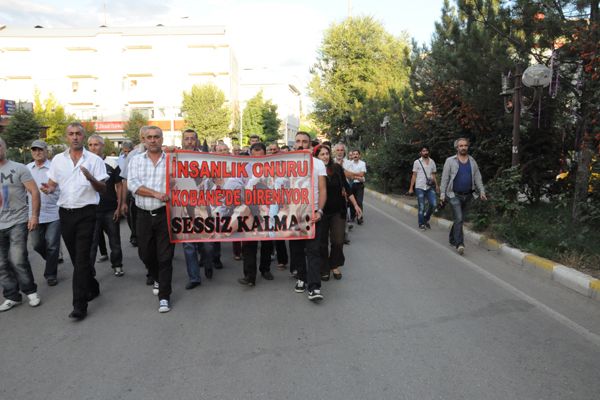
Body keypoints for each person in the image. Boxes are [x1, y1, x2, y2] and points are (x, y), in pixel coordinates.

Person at [41, 123, 108, 320]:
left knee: (80, 260)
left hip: (87, 212)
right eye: (71, 134)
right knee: (77, 257)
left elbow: (102, 189)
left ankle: (79, 305)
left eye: (78, 134)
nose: (75, 137)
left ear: (83, 136)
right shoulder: (57, 161)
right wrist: (49, 189)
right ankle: (93, 286)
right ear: (66, 137)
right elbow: (53, 183)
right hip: (66, 214)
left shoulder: (94, 160)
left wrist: (91, 178)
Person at [127, 126, 174, 313]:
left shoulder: (172, 160)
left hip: (165, 214)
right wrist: (156, 194)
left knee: (165, 256)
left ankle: (164, 296)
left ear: (162, 139)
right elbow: (133, 184)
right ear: (143, 140)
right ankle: (156, 277)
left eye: (156, 137)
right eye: (149, 137)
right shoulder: (136, 160)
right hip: (143, 214)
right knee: (145, 254)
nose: (153, 140)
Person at [0, 137, 42, 312]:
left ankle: (30, 291)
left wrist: (34, 216)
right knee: (1, 263)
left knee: (17, 259)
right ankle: (12, 295)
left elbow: (34, 192)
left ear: (5, 147)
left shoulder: (18, 168)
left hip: (18, 220)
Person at [314, 144, 361, 281]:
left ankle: (334, 264)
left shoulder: (337, 168)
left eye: (327, 153)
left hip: (338, 210)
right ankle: (324, 267)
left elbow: (346, 187)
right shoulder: (313, 170)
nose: (325, 156)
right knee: (322, 242)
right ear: (316, 157)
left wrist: (355, 205)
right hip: (320, 212)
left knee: (338, 240)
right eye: (322, 154)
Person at [290, 131, 327, 301]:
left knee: (313, 250)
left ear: (310, 145)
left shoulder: (318, 164)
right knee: (297, 249)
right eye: (298, 141)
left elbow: (323, 189)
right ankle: (301, 278)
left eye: (304, 141)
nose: (301, 144)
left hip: (312, 214)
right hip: (294, 213)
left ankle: (314, 287)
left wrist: (319, 211)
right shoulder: (286, 163)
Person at [179, 129, 214, 290]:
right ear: (182, 141)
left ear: (197, 141)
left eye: (192, 139)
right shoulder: (175, 158)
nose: (190, 142)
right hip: (183, 205)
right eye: (186, 139)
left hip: (203, 203)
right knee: (188, 243)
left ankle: (208, 263)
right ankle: (194, 277)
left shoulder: (205, 159)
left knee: (206, 243)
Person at [440, 138, 487, 255]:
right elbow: (444, 179)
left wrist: (482, 191)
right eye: (461, 146)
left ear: (468, 147)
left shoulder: (472, 161)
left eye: (465, 145)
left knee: (459, 220)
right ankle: (459, 244)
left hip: (468, 195)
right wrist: (442, 194)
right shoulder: (450, 161)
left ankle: (452, 238)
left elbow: (477, 177)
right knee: (459, 219)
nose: (463, 147)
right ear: (457, 147)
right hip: (454, 194)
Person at [238, 142, 275, 287]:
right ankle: (249, 276)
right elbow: (242, 187)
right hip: (250, 207)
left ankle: (265, 269)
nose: (257, 160)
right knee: (249, 243)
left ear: (265, 155)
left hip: (266, 207)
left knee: (266, 240)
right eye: (254, 157)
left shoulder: (271, 167)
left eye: (260, 157)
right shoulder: (244, 168)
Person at [87, 135, 124, 277]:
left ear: (102, 146)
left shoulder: (112, 163)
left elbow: (119, 186)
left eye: (96, 144)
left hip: (110, 208)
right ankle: (89, 272)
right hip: (91, 210)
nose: (93, 147)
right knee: (92, 243)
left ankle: (117, 265)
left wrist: (119, 206)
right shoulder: (85, 163)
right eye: (90, 145)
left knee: (114, 239)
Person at [27, 140, 61, 286]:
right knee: (36, 245)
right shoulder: (27, 169)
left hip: (54, 213)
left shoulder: (55, 168)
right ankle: (52, 259)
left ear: (46, 151)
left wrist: (51, 191)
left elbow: (63, 189)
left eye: (40, 150)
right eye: (34, 150)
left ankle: (51, 274)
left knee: (52, 244)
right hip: (34, 214)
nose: (37, 152)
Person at [408, 146, 439, 230]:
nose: (425, 152)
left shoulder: (432, 162)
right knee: (421, 206)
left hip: (429, 187)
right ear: (420, 152)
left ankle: (426, 218)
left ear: (428, 152)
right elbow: (414, 175)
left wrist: (436, 186)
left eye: (426, 151)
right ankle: (421, 223)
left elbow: (433, 175)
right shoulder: (417, 162)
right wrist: (411, 188)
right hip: (419, 187)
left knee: (433, 204)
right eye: (423, 151)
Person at [344, 149, 367, 224]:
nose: (355, 155)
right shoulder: (349, 163)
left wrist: (353, 175)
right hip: (351, 184)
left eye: (357, 154)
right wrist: (357, 176)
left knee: (359, 202)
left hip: (359, 185)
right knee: (351, 202)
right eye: (353, 154)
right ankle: (352, 217)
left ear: (359, 155)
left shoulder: (362, 163)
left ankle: (359, 217)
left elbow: (362, 174)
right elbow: (348, 175)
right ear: (352, 156)